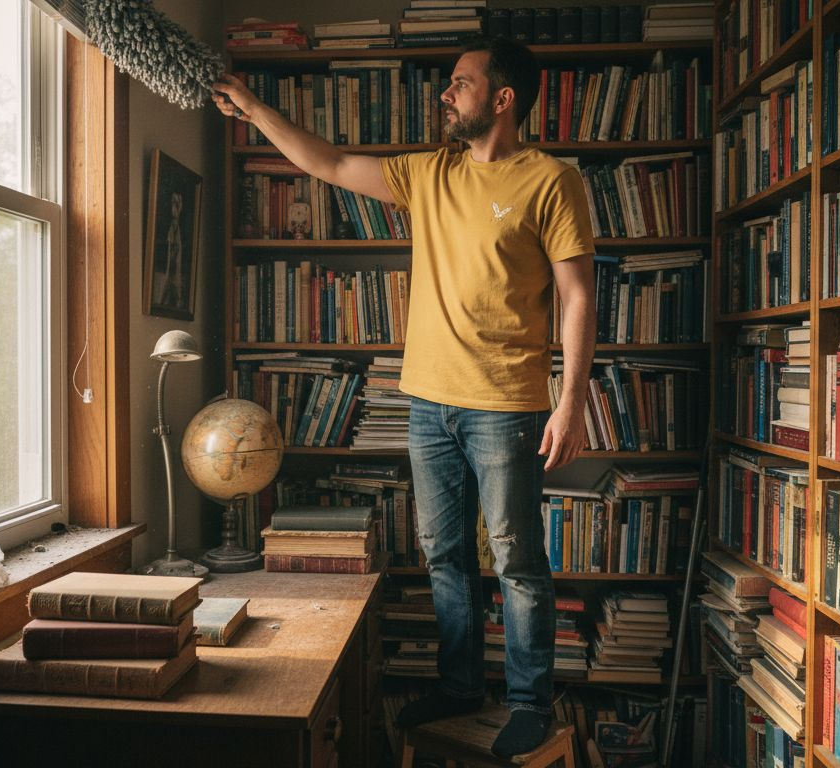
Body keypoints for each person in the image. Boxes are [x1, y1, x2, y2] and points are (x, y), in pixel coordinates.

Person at [212, 36, 596, 757]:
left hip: (507, 407)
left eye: (460, 83)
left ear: (502, 98)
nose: (446, 95)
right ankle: (458, 685)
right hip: (427, 404)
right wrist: (255, 109)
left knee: (516, 560)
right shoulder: (430, 175)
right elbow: (325, 162)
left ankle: (527, 702)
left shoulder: (552, 181)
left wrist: (571, 401)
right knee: (444, 554)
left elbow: (577, 297)